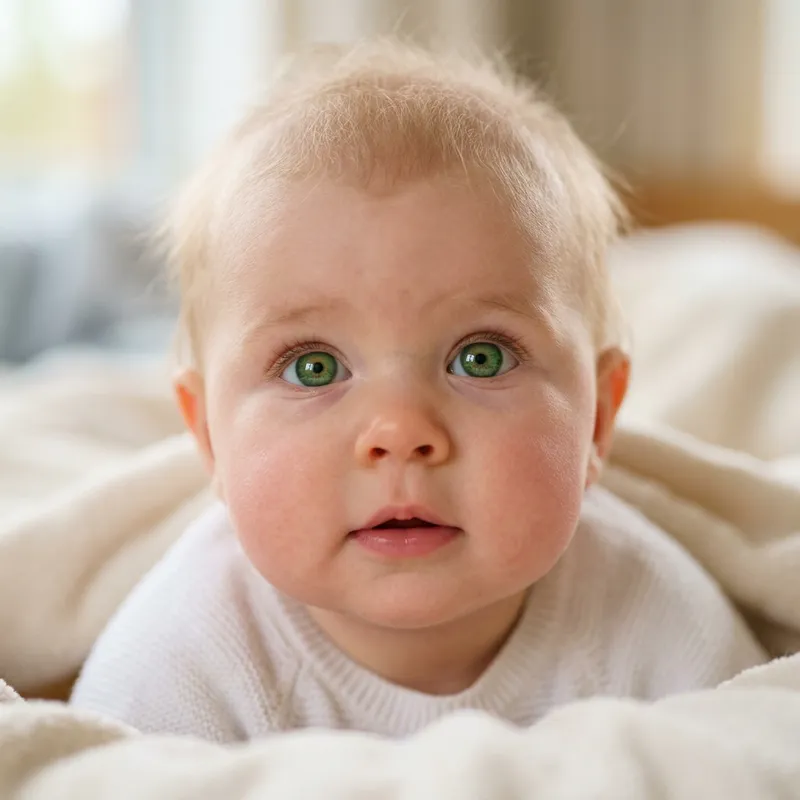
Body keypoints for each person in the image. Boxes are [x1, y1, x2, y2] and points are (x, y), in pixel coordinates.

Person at [71, 40, 766, 742]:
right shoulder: (183, 659)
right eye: (313, 366)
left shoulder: (652, 616)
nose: (400, 429)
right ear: (210, 440)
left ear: (596, 422)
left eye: (483, 356)